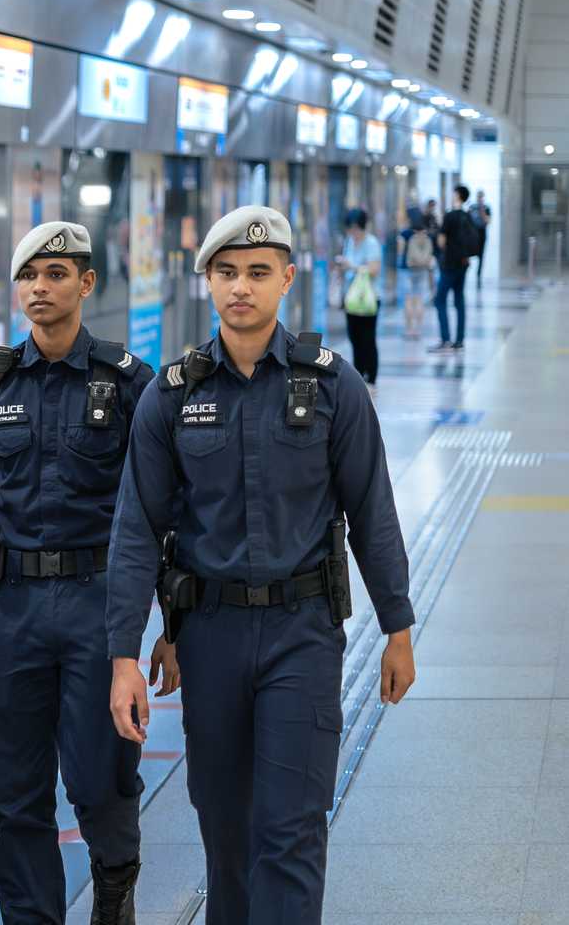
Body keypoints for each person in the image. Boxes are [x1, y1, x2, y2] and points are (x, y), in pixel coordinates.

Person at [106, 205, 418, 925]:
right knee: (225, 831)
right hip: (209, 636)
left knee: (291, 830)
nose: (239, 287)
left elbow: (372, 511)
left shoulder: (334, 388)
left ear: (286, 279)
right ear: (206, 281)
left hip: (301, 634)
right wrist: (123, 651)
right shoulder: (174, 396)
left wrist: (397, 625)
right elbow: (135, 532)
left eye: (255, 272)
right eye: (225, 273)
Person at [0, 221, 173, 924]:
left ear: (86, 284)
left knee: (100, 779)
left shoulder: (129, 385)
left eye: (56, 274)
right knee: (16, 789)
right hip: (11, 612)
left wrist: (171, 628)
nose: (40, 287)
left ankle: (115, 881)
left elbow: (163, 513)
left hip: (102, 606)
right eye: (29, 276)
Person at [336, 208, 382, 385]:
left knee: (367, 338)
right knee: (354, 337)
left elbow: (374, 269)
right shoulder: (349, 241)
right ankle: (358, 376)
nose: (353, 233)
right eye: (350, 229)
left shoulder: (371, 243)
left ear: (363, 227)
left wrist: (352, 266)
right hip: (352, 298)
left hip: (369, 298)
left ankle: (371, 377)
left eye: (356, 229)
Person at [431, 184, 476, 352]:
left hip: (449, 264)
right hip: (464, 263)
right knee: (459, 301)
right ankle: (460, 340)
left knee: (440, 300)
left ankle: (445, 339)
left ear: (457, 195)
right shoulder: (467, 215)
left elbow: (441, 241)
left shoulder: (450, 216)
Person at [402, 202, 436, 339]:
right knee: (419, 299)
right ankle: (418, 330)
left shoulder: (405, 233)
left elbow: (400, 251)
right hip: (422, 270)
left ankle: (409, 329)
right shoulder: (427, 236)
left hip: (408, 270)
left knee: (409, 299)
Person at [468, 189, 492, 289]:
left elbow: (487, 221)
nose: (480, 199)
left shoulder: (486, 208)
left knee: (481, 256)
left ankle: (478, 275)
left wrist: (482, 210)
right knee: (469, 253)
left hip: (482, 234)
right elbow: (467, 220)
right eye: (478, 197)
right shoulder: (472, 207)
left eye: (481, 197)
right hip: (472, 234)